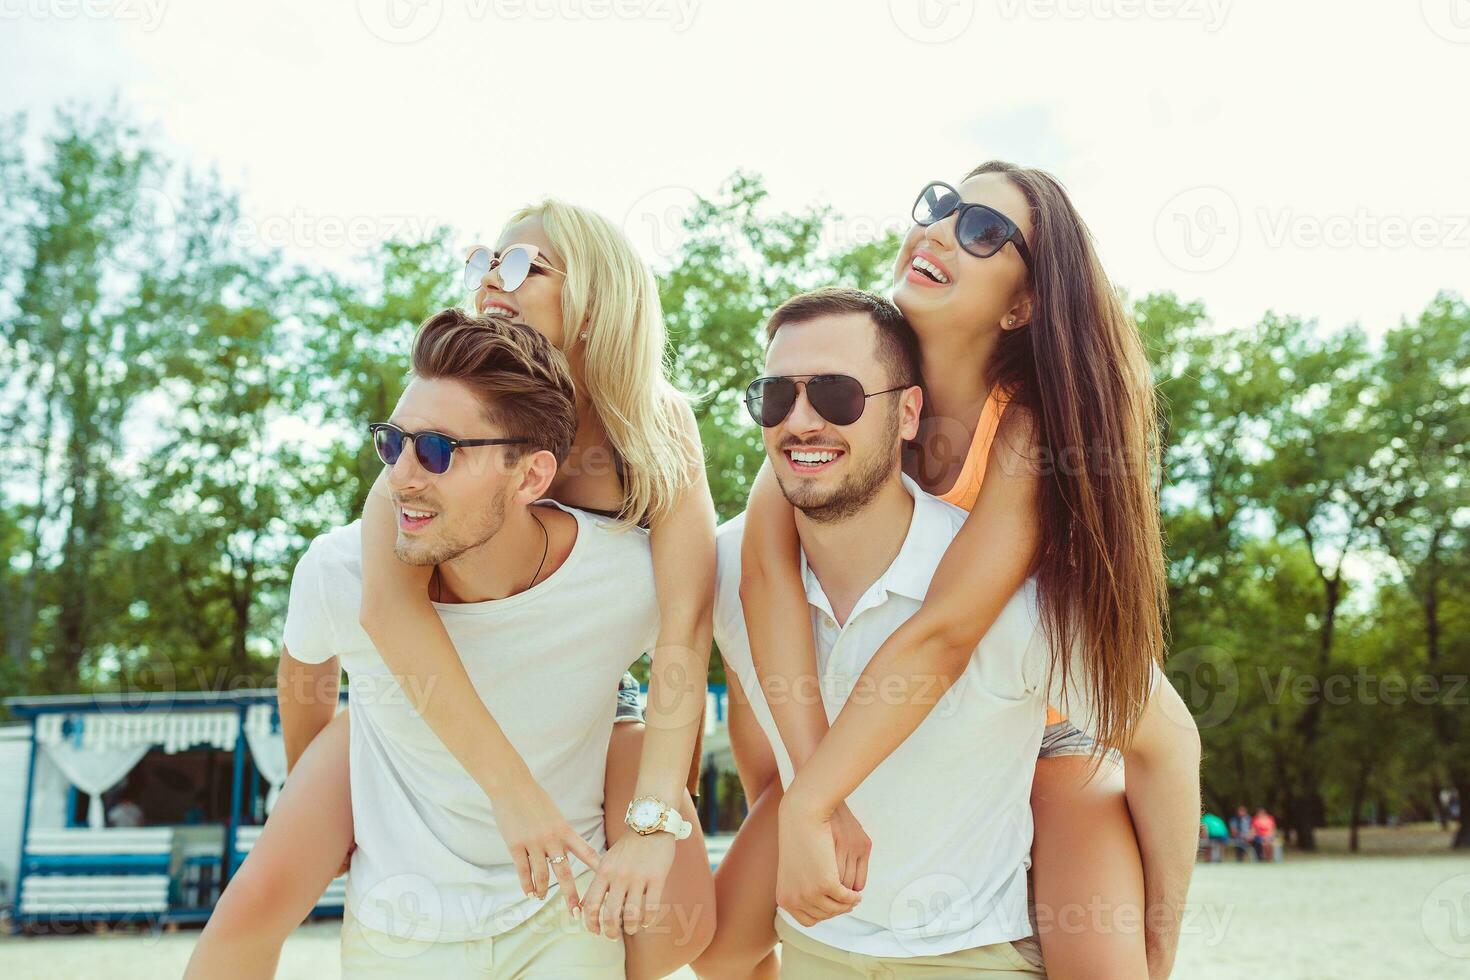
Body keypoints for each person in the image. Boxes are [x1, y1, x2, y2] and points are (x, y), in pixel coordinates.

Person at [186, 201, 717, 979]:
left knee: (679, 919)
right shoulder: (428, 442)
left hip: (592, 683)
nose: (488, 282)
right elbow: (386, 612)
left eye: (517, 265)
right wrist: (499, 795)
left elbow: (687, 616)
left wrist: (655, 814)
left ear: (598, 296)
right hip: (415, 685)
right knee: (264, 887)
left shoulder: (655, 423)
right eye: (480, 263)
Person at [715, 165, 1201, 979]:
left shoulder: (1027, 427)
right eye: (940, 206)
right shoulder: (838, 401)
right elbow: (765, 576)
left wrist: (812, 800)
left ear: (1022, 304)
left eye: (981, 231)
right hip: (865, 722)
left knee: (1113, 968)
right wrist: (807, 781)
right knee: (723, 948)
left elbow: (946, 631)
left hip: (1041, 727)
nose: (940, 230)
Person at [712, 288, 1107, 975]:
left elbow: (1163, 740)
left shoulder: (1011, 595)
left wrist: (1157, 946)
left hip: (969, 956)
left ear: (908, 412)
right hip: (812, 950)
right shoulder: (723, 566)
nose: (801, 421)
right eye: (775, 398)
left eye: (837, 395)